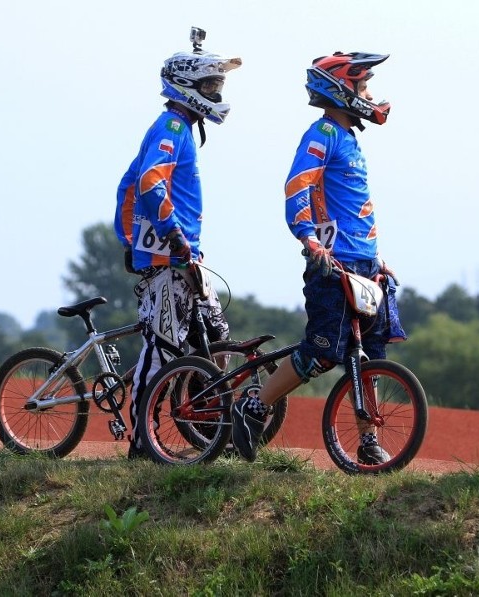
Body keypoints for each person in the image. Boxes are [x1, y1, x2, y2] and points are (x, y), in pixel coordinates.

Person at [231, 51, 406, 464]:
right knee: (324, 350)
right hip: (332, 264)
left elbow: (351, 208)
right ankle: (253, 405)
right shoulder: (322, 133)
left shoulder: (349, 138)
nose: (370, 95)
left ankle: (367, 439)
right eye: (363, 86)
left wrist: (376, 258)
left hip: (363, 264)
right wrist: (308, 238)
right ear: (342, 89)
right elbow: (297, 186)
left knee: (372, 357)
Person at [114, 29, 241, 458]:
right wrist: (172, 234)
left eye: (217, 85)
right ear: (187, 86)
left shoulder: (184, 127)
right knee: (162, 347)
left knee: (217, 337)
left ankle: (204, 429)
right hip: (168, 254)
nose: (215, 91)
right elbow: (150, 181)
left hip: (187, 254)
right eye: (209, 85)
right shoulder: (171, 126)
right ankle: (142, 444)